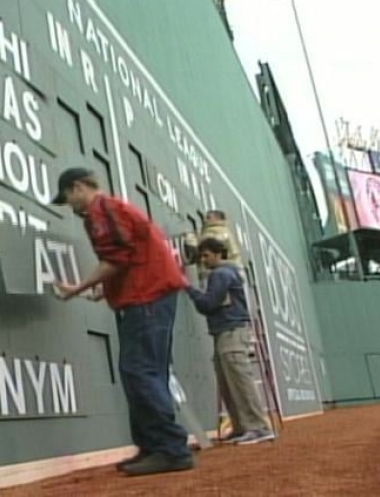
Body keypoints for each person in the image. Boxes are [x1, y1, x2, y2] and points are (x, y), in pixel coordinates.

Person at [50, 167, 195, 476]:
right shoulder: (113, 209)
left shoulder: (102, 210)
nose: (70, 206)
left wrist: (78, 288)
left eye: (68, 198)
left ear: (77, 188)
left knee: (139, 369)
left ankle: (170, 448)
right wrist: (104, 290)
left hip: (147, 297)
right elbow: (132, 257)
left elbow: (118, 259)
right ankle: (154, 446)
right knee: (143, 371)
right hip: (149, 294)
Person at [185, 237, 275, 445]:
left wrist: (189, 289)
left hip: (231, 331)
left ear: (218, 254)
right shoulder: (227, 272)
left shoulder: (221, 273)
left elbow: (208, 304)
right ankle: (242, 427)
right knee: (229, 382)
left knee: (240, 381)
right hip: (226, 331)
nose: (203, 260)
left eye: (206, 255)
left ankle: (258, 427)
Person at [197, 210, 243, 284]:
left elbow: (211, 243)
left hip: (224, 272)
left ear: (217, 218)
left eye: (209, 217)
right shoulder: (223, 230)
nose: (205, 220)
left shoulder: (219, 231)